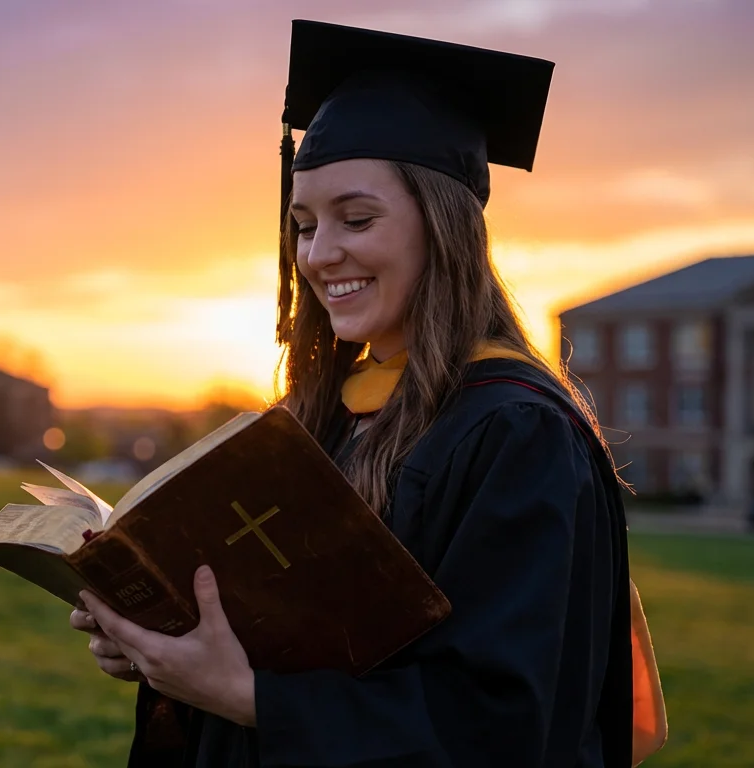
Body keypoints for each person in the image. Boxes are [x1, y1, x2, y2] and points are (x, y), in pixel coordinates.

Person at [72, 19, 667, 767]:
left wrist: (248, 697)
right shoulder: (326, 415)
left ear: (443, 228)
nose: (319, 255)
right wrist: (163, 645)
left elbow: (501, 727)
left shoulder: (515, 434)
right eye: (303, 224)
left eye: (356, 219)